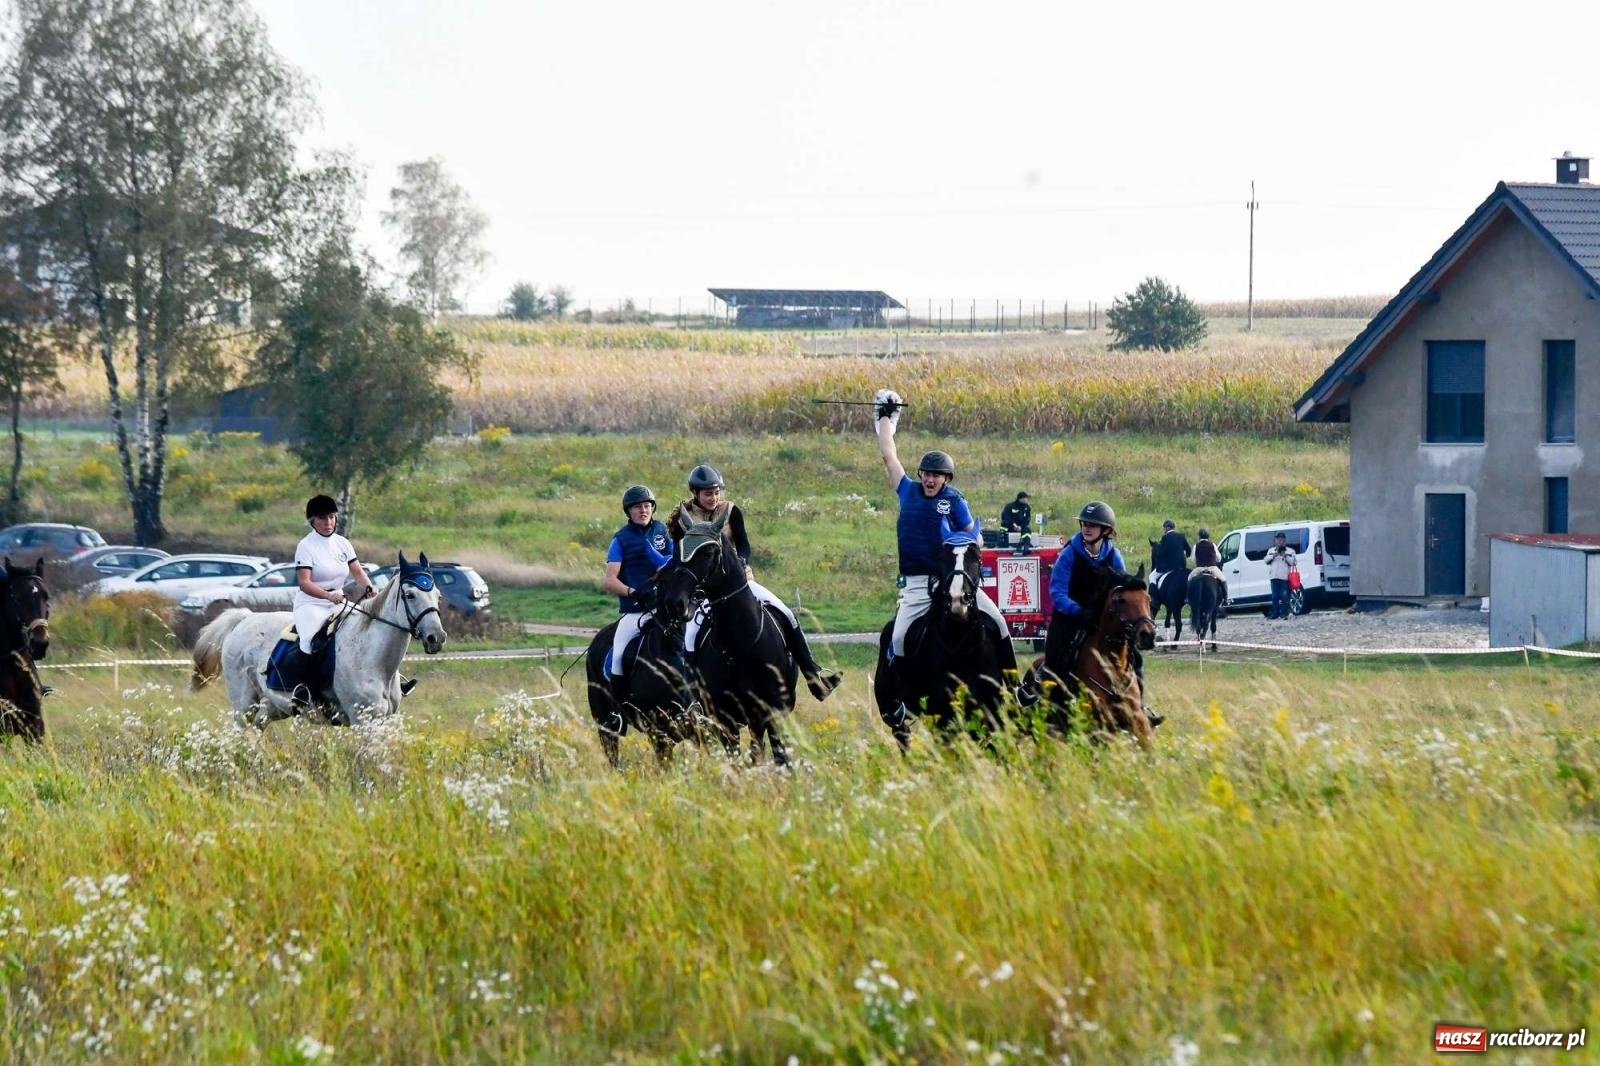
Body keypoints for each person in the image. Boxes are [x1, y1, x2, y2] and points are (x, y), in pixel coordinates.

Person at [872, 388, 1028, 704]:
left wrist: (964, 542)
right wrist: (887, 418)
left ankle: (1015, 689)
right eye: (927, 474)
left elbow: (975, 538)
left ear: (947, 479)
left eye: (937, 475)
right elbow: (889, 457)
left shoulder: (955, 502)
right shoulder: (907, 491)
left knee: (998, 624)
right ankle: (901, 700)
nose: (930, 479)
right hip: (917, 585)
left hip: (953, 580)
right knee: (899, 637)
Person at [666, 464, 840, 701]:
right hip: (703, 589)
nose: (714, 498)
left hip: (740, 582)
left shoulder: (731, 511)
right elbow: (681, 556)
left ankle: (813, 675)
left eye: (717, 492)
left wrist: (741, 560)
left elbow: (744, 544)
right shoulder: (685, 520)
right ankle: (693, 696)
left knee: (786, 613)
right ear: (695, 493)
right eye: (708, 494)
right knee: (691, 634)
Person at [1042, 500, 1162, 726]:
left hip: (1100, 616)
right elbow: (1056, 592)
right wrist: (1078, 611)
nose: (1087, 528)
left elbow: (1121, 589)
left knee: (1134, 658)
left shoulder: (1113, 555)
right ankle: (1054, 710)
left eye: (1093, 525)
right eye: (1085, 524)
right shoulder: (1069, 554)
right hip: (1070, 615)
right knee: (1059, 656)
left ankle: (1141, 706)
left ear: (1106, 531)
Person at [292, 494, 380, 707]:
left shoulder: (343, 543)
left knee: (369, 627)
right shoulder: (306, 546)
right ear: (312, 520)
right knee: (310, 638)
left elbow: (357, 571)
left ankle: (388, 681)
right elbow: (304, 582)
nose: (328, 523)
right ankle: (304, 688)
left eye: (332, 517)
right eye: (323, 518)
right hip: (311, 603)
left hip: (337, 601)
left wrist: (369, 586)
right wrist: (328, 595)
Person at [602, 485, 673, 693]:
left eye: (647, 506)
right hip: (636, 609)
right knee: (617, 656)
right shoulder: (620, 540)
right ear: (629, 512)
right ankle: (617, 708)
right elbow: (610, 580)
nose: (643, 511)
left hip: (665, 606)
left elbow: (673, 563)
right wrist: (633, 592)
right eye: (637, 507)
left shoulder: (663, 530)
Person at [1192, 527, 1229, 614]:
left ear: (1199, 536)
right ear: (1208, 536)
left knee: (1189, 579)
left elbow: (1193, 559)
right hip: (1212, 568)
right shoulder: (1212, 545)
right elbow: (1219, 558)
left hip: (1200, 568)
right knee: (1223, 580)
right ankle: (1226, 598)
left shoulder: (1196, 545)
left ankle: (1187, 597)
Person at [1266, 531, 1298, 620]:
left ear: (1284, 541)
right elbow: (1266, 561)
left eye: (1281, 540)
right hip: (1274, 576)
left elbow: (1293, 562)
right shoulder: (1271, 550)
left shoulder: (1290, 551)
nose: (1279, 541)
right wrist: (1275, 555)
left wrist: (1285, 555)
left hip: (1284, 577)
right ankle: (1275, 614)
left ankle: (1284, 613)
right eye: (1278, 539)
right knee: (1274, 596)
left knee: (1285, 596)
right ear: (1275, 540)